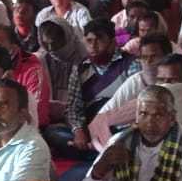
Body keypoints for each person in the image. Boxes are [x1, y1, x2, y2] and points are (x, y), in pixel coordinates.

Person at [46, 19, 137, 160]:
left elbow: (137, 104)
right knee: (53, 132)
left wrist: (107, 125)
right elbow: (73, 107)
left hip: (119, 127)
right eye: (89, 41)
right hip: (90, 130)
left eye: (99, 40)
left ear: (112, 42)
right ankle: (100, 150)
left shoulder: (130, 64)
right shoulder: (81, 68)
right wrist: (79, 131)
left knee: (131, 137)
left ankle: (98, 151)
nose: (93, 46)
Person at [90, 51, 182, 150]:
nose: (165, 86)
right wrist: (108, 149)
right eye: (161, 80)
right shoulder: (144, 105)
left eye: (172, 81)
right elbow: (100, 121)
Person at [0, 25, 54, 126]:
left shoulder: (33, 71)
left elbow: (38, 114)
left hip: (30, 128)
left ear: (13, 49)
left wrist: (11, 87)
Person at [37, 19, 87, 123]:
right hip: (49, 117)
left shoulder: (85, 56)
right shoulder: (41, 59)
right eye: (46, 44)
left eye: (55, 43)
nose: (51, 49)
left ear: (66, 37)